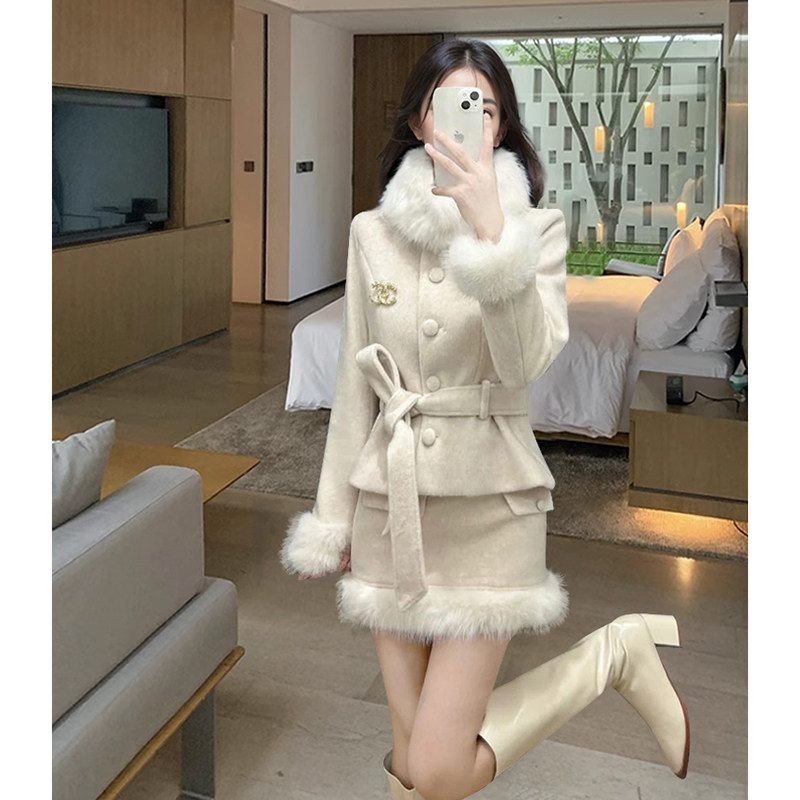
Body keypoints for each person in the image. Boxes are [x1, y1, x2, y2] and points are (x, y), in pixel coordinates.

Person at [279, 38, 689, 800]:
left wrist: (493, 237)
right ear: (420, 121)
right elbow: (356, 388)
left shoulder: (537, 233)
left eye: (487, 107)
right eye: (451, 104)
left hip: (491, 511)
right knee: (411, 762)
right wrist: (332, 518)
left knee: (437, 766)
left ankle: (613, 656)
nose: (471, 119)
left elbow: (524, 362)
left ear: (500, 128)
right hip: (391, 510)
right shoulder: (371, 233)